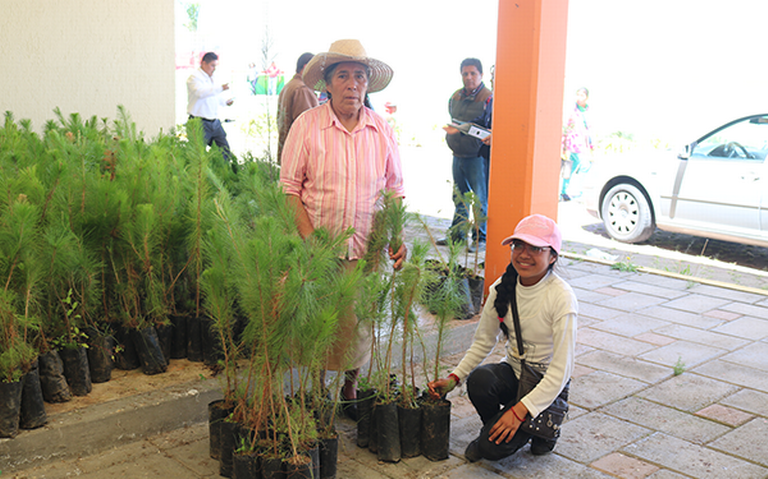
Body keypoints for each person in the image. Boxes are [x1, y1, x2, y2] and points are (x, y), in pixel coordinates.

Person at [280, 39, 407, 418]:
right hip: (317, 248)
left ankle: (350, 388)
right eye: (344, 76)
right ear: (328, 84)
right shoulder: (308, 126)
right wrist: (309, 241)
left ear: (367, 85)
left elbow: (395, 189)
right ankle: (316, 391)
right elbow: (289, 189)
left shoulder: (381, 130)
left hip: (366, 249)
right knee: (318, 322)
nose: (353, 84)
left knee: (358, 324)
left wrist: (397, 238)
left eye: (359, 76)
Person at [428, 214, 577, 462]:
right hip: (515, 377)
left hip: (544, 386)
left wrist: (519, 412)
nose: (524, 254)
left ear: (552, 256)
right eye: (518, 245)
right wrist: (454, 379)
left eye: (536, 248)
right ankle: (498, 429)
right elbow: (483, 342)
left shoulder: (561, 298)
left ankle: (542, 431)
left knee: (489, 451)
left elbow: (561, 370)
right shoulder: (501, 289)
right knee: (480, 379)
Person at [439, 58, 493, 252]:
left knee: (479, 198)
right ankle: (457, 235)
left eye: (473, 73)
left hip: (477, 156)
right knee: (459, 196)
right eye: (465, 74)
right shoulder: (456, 97)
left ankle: (481, 238)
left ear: (481, 75)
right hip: (458, 153)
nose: (469, 77)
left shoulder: (488, 97)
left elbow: (489, 126)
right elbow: (453, 120)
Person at [187, 52, 235, 163]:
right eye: (212, 65)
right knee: (198, 156)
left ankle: (221, 173)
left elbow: (213, 96)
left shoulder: (212, 78)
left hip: (214, 122)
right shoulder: (194, 78)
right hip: (199, 121)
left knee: (224, 150)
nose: (214, 69)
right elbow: (201, 93)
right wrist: (220, 88)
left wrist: (224, 102)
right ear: (204, 63)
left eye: (215, 66)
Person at [277, 52, 318, 163]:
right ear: (305, 67)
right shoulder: (302, 89)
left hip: (289, 152)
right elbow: (308, 127)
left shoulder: (289, 86)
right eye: (315, 69)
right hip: (299, 156)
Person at [560, 87, 594, 201]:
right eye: (578, 94)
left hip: (583, 144)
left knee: (572, 167)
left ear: (587, 97)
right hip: (573, 143)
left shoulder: (588, 111)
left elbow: (589, 129)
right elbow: (566, 126)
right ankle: (575, 192)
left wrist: (591, 145)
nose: (579, 97)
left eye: (582, 95)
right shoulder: (573, 110)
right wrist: (563, 145)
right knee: (583, 165)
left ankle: (565, 191)